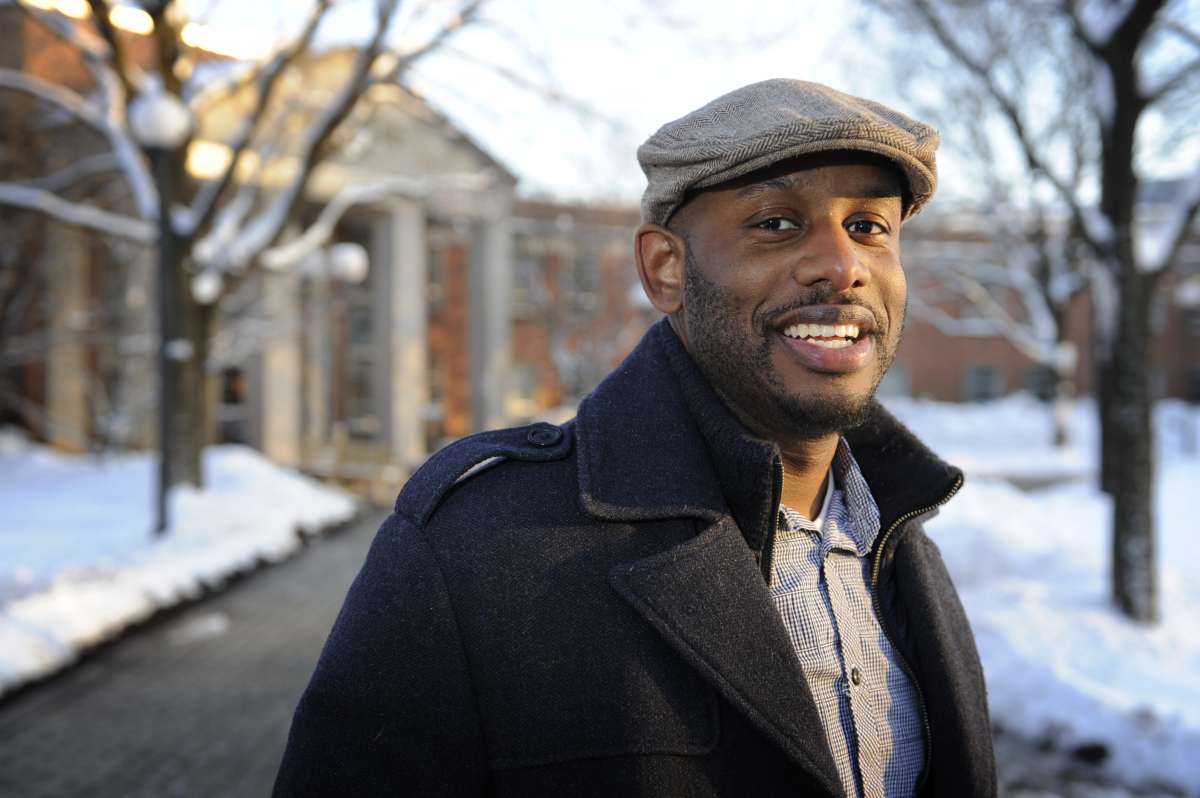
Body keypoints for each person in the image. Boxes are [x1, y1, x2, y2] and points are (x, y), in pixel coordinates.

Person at [273, 79, 995, 797]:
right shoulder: (473, 551)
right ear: (666, 269)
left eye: (869, 227)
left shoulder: (903, 548)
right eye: (776, 223)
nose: (842, 267)